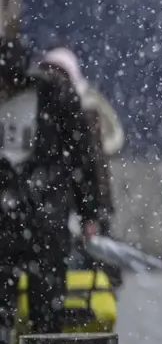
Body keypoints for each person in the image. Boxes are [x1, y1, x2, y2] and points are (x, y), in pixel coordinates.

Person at [0, 36, 102, 344]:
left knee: (46, 317)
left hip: (44, 222)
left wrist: (89, 210)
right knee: (9, 316)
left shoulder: (53, 96)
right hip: (14, 225)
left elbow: (81, 152)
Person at [37, 45, 126, 284]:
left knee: (79, 268)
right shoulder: (41, 104)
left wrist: (92, 213)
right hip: (53, 204)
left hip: (65, 200)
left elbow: (93, 161)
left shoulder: (83, 107)